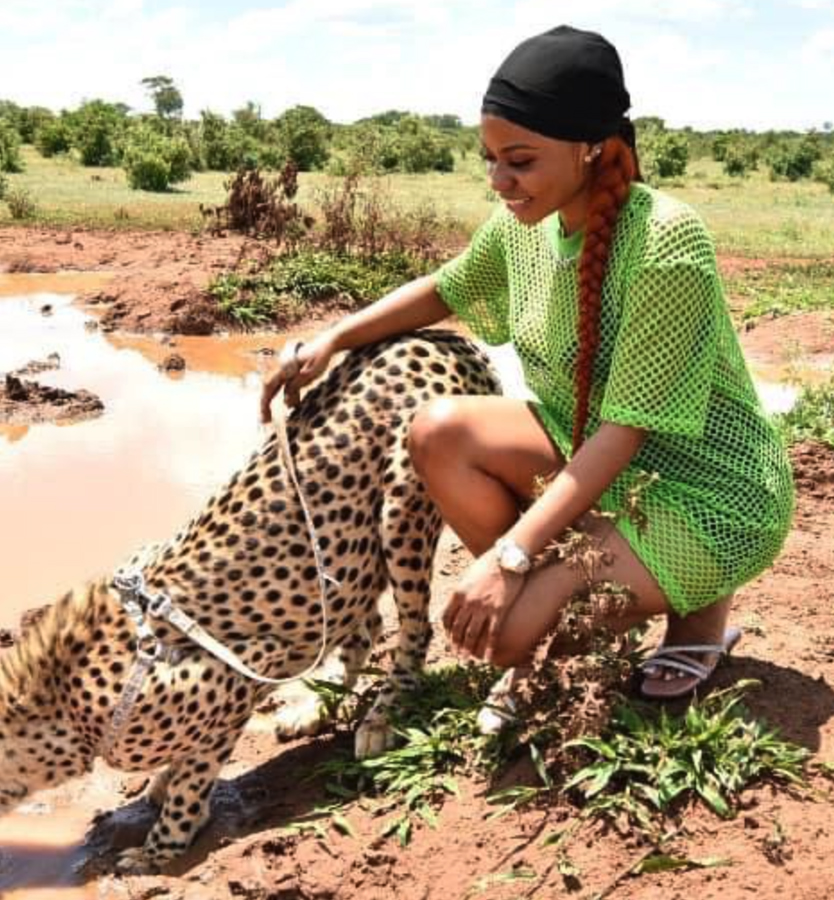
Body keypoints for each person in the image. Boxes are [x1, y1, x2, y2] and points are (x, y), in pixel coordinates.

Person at [260, 25, 794, 710]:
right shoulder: (524, 221)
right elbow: (444, 288)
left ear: (591, 147)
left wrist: (510, 560)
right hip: (600, 456)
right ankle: (589, 592)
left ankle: (688, 609)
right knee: (440, 432)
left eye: (519, 160)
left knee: (505, 635)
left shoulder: (667, 240)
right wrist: (331, 337)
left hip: (708, 494)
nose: (499, 181)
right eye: (488, 159)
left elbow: (626, 432)